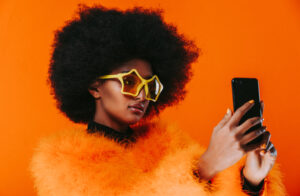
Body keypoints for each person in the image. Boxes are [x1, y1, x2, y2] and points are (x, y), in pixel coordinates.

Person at [29, 4, 287, 196]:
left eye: (151, 85)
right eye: (130, 81)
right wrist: (204, 167)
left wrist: (251, 181)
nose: (142, 95)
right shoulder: (62, 163)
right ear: (95, 87)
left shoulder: (168, 145)